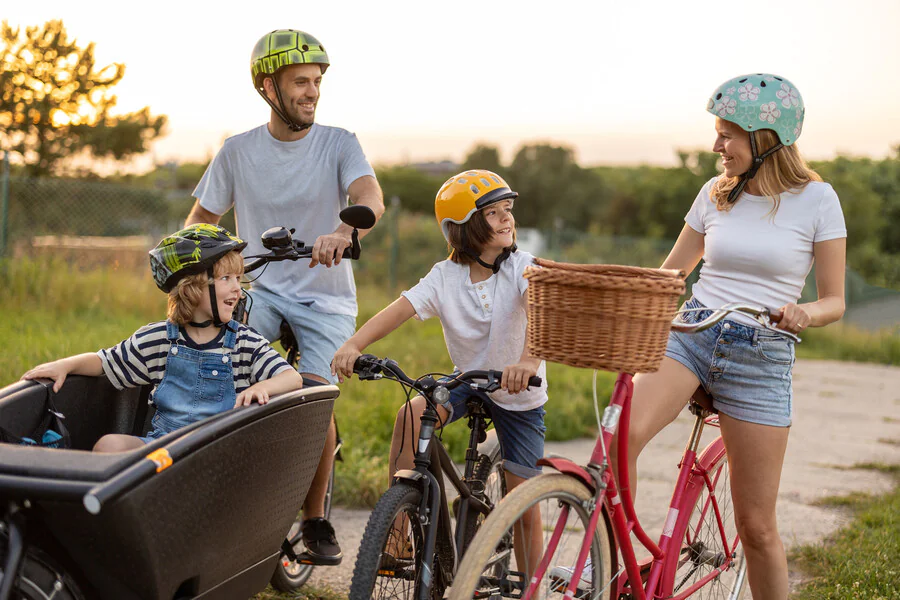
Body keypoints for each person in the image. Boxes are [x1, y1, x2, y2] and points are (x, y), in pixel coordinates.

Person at [606, 74, 845, 598]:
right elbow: (672, 274)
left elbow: (835, 300)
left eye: (727, 135)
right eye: (716, 133)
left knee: (757, 528)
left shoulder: (818, 200)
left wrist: (805, 312)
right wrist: (622, 294)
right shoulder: (715, 193)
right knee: (616, 444)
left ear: (765, 140)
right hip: (691, 332)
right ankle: (609, 564)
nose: (716, 146)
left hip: (760, 352)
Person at [184, 29, 385, 565]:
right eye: (301, 82)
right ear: (269, 86)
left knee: (313, 399)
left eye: (317, 82)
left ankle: (315, 517)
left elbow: (368, 195)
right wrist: (205, 263)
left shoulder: (339, 142)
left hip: (327, 300)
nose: (311, 92)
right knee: (213, 365)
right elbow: (201, 220)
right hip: (263, 286)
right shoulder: (237, 151)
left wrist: (346, 234)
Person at [331, 169, 548, 573]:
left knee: (523, 503)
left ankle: (531, 586)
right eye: (494, 212)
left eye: (508, 210)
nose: (507, 218)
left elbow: (540, 312)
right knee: (412, 413)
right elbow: (399, 310)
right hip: (469, 381)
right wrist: (354, 345)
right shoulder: (444, 277)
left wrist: (528, 362)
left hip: (520, 391)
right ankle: (397, 534)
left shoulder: (523, 266)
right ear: (462, 227)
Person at [21, 224, 304, 452]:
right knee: (109, 445)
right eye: (226, 279)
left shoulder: (245, 342)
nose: (238, 291)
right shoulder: (159, 339)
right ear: (192, 286)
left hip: (217, 454)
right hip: (161, 448)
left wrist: (263, 387)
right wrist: (65, 366)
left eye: (237, 279)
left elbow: (292, 378)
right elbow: (106, 362)